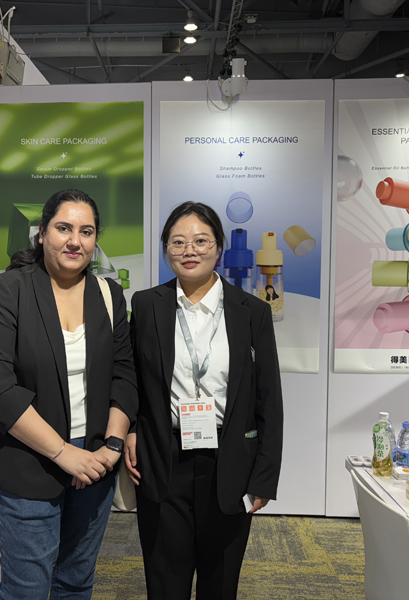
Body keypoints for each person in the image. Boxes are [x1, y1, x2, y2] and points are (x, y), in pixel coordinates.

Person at [0, 189, 137, 600]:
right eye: (64, 228)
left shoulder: (108, 294)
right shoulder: (11, 289)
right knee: (27, 589)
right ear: (42, 233)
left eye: (86, 232)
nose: (75, 241)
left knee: (76, 581)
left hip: (96, 463)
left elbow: (124, 373)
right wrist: (64, 453)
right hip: (30, 461)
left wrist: (112, 445)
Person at [126, 201, 283, 600]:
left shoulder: (252, 311)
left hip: (230, 461)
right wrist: (129, 428)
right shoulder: (146, 305)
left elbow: (268, 397)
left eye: (200, 241)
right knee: (165, 582)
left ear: (219, 248)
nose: (189, 251)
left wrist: (264, 476)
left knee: (220, 583)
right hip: (164, 458)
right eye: (178, 242)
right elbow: (132, 378)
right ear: (166, 249)